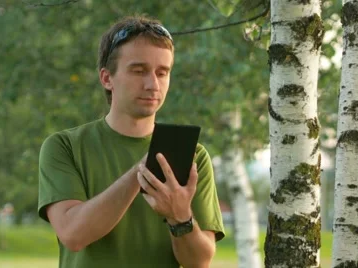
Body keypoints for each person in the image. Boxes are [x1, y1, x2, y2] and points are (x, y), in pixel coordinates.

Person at [37, 15, 225, 268]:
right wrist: (141, 171)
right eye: (139, 71)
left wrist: (180, 217)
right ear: (106, 78)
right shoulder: (64, 147)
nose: (153, 84)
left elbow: (199, 262)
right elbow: (73, 234)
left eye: (162, 72)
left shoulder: (193, 155)